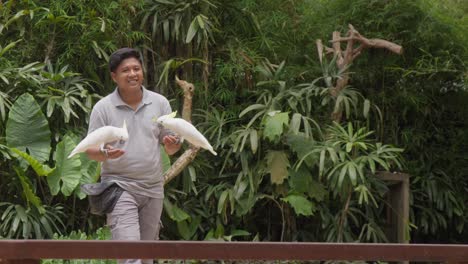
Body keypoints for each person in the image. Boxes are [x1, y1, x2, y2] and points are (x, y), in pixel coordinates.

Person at [85, 47, 181, 264]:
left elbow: (172, 148)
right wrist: (105, 153)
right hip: (119, 188)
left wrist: (172, 143)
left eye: (136, 68)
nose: (132, 74)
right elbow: (90, 150)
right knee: (130, 258)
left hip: (153, 189)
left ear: (142, 72)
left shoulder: (159, 103)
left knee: (147, 258)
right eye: (125, 70)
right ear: (114, 76)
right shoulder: (103, 108)